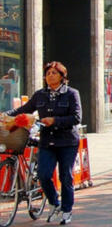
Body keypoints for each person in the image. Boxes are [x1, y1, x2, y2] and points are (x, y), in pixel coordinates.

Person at [4, 62, 81, 224]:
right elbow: (23, 110)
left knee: (66, 176)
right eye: (47, 73)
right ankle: (55, 202)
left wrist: (54, 120)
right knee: (43, 175)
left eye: (54, 73)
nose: (50, 76)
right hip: (47, 142)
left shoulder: (72, 94)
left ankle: (67, 210)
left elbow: (76, 118)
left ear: (62, 76)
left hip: (67, 142)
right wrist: (5, 115)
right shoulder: (40, 95)